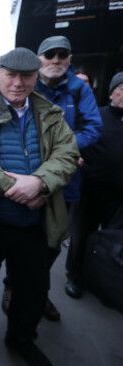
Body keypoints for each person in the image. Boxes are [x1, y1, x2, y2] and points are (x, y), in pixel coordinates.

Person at [0, 48, 79, 366]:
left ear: (35, 77)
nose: (18, 83)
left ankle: (21, 340)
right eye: (11, 75)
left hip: (35, 224)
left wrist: (40, 182)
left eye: (26, 76)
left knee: (32, 290)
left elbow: (67, 154)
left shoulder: (49, 112)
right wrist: (18, 188)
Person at [30, 35, 102, 301]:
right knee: (23, 239)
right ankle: (18, 286)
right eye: (50, 55)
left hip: (65, 181)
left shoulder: (79, 89)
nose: (56, 60)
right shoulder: (27, 85)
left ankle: (38, 292)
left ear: (70, 58)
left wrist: (64, 149)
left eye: (62, 54)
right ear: (39, 59)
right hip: (30, 176)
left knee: (54, 241)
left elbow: (93, 128)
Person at [65, 72, 123, 300]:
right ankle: (75, 277)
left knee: (113, 240)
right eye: (122, 88)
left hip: (119, 197)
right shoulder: (94, 117)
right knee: (81, 236)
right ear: (112, 92)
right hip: (89, 191)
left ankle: (104, 279)